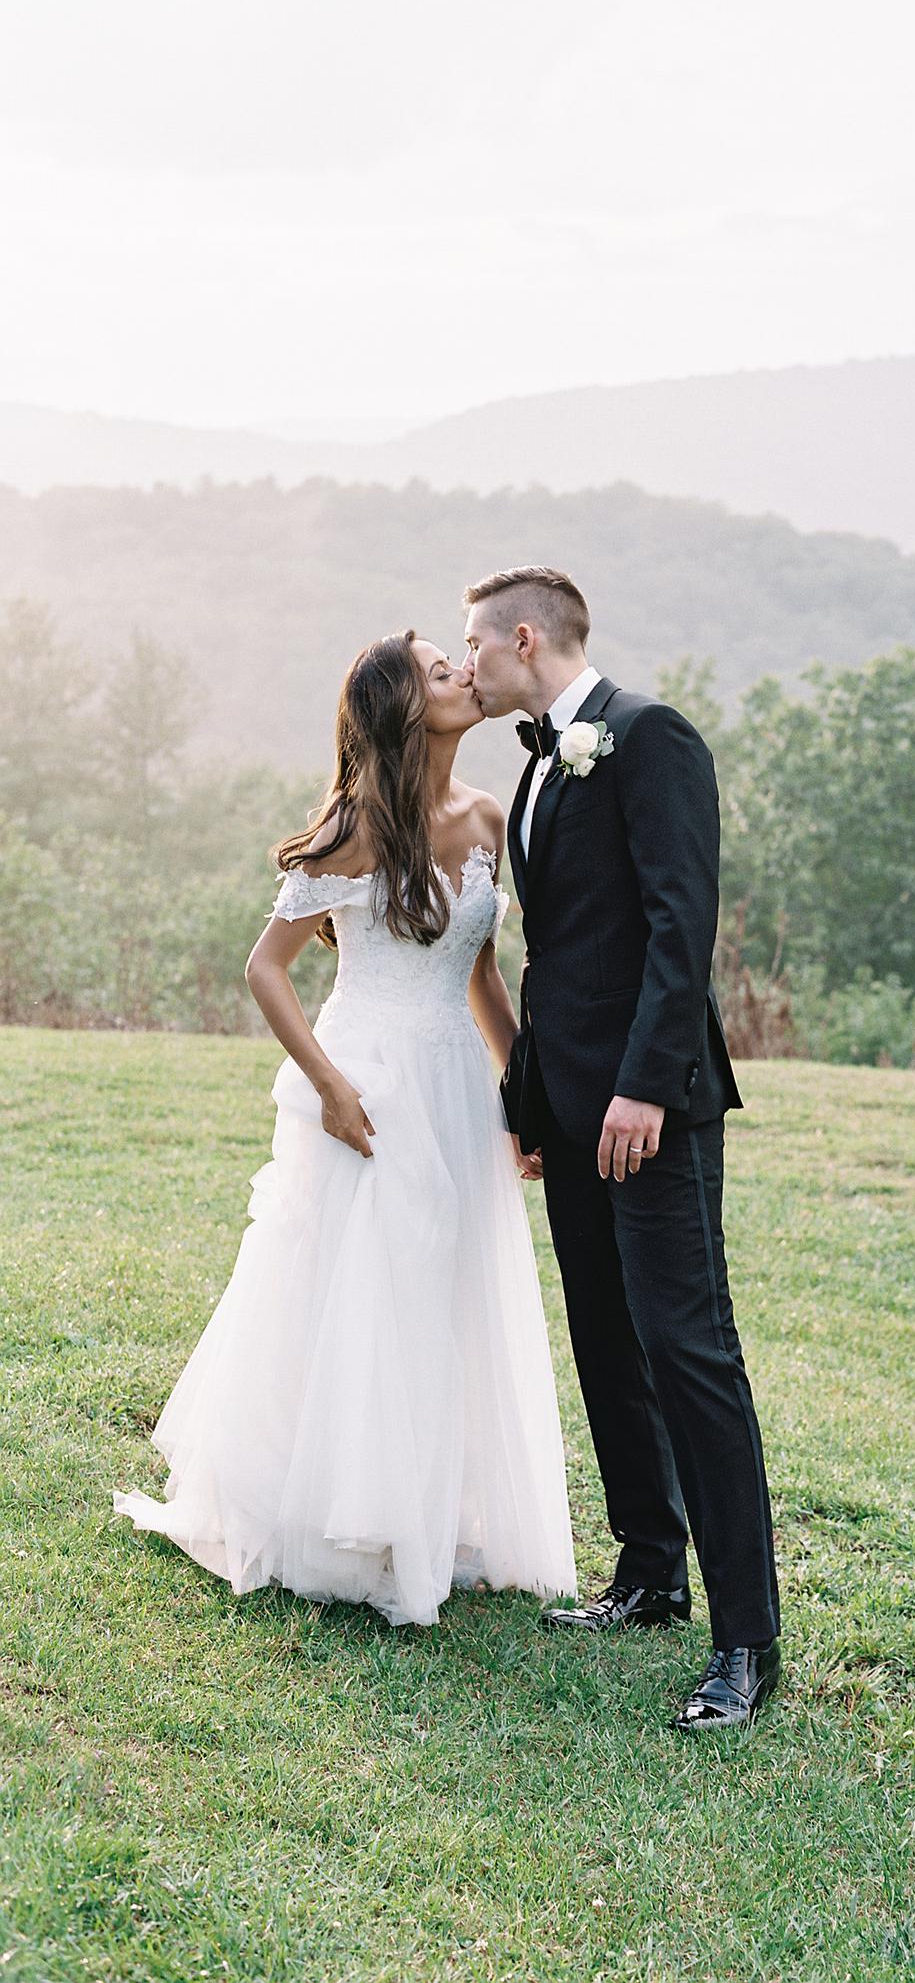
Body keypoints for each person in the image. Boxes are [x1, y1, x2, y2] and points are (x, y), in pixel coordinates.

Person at [112, 631, 577, 1626]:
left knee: (441, 1285)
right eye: (436, 669)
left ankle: (424, 1507)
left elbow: (484, 973)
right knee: (366, 1287)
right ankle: (340, 1517)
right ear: (404, 708)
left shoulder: (486, 814)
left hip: (451, 1080)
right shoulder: (356, 826)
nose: (460, 670)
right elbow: (265, 966)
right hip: (365, 1075)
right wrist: (325, 1083)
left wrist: (522, 1098)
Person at [460, 565, 781, 1731]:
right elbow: (557, 959)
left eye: (475, 646)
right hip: (572, 1111)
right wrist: (530, 1101)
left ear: (525, 638)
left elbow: (676, 923)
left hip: (654, 1112)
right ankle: (650, 1568)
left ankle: (747, 1643)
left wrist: (647, 1086)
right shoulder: (540, 759)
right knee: (605, 1335)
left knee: (688, 1349)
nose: (468, 664)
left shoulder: (648, 738)